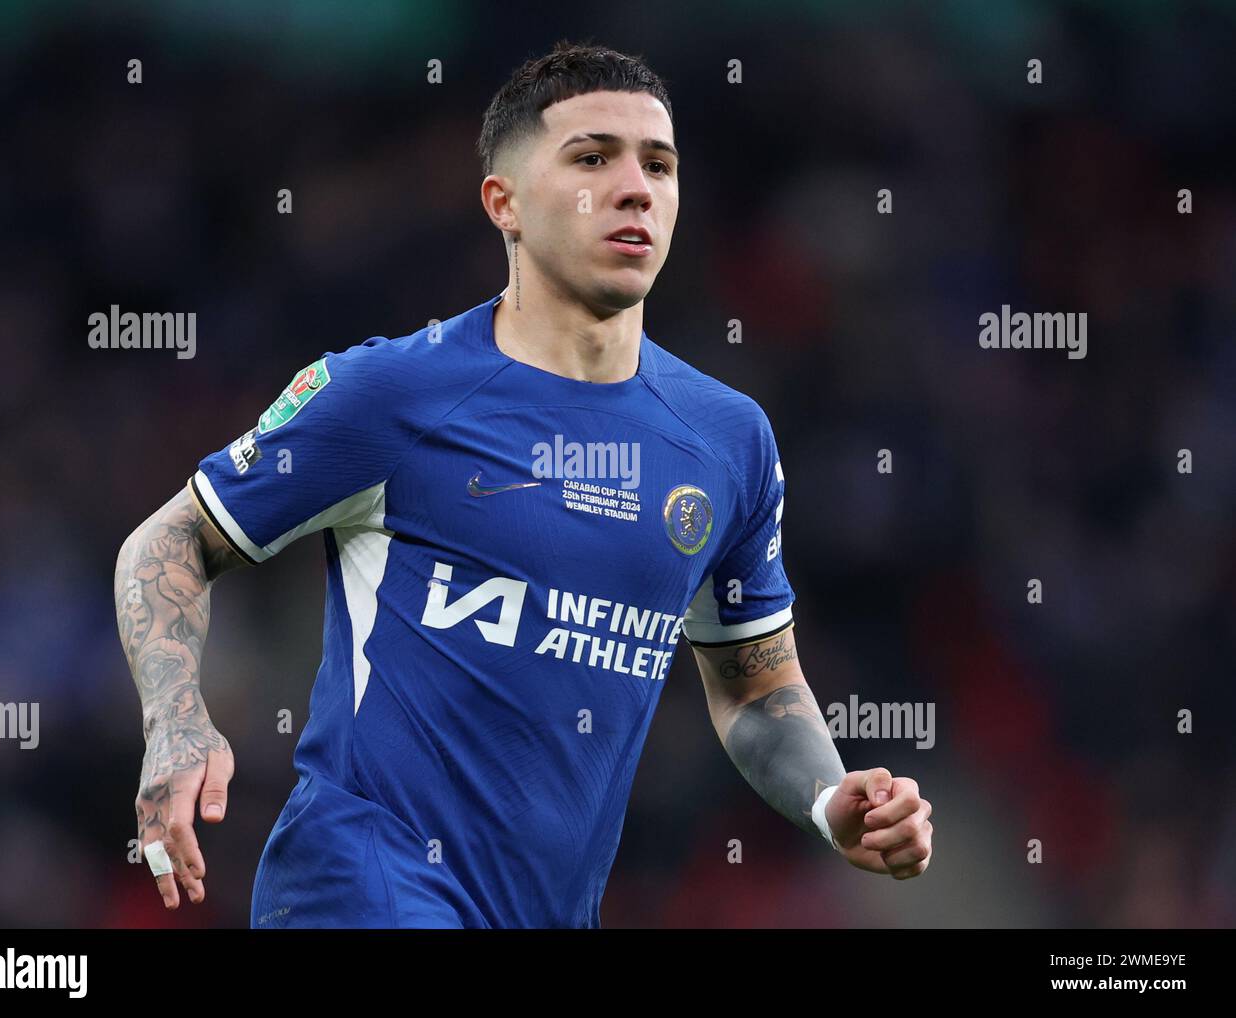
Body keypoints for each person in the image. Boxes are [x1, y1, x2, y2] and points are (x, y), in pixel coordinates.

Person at [114, 39, 932, 929]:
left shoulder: (727, 441)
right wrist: (176, 718)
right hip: (359, 890)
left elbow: (757, 690)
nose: (635, 187)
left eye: (658, 164)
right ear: (503, 203)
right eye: (592, 158)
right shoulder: (392, 394)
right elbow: (170, 539)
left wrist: (828, 798)